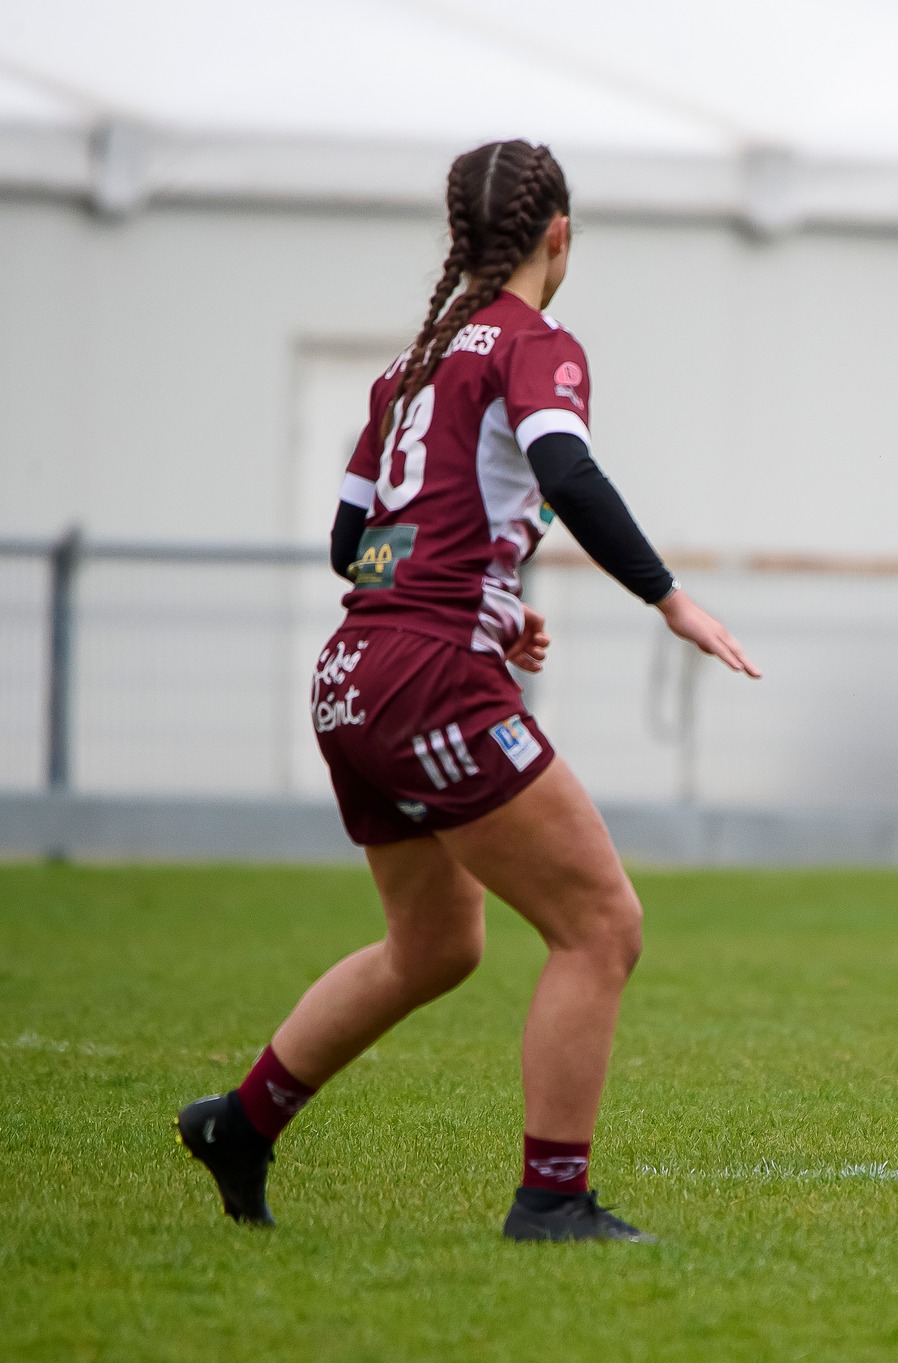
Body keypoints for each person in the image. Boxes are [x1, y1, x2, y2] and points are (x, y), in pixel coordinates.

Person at [175, 140, 759, 1242]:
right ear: (558, 237)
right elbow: (566, 470)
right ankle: (552, 1197)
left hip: (353, 676)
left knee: (437, 944)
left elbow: (353, 542)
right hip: (430, 675)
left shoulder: (407, 371)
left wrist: (487, 592)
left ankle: (241, 1122)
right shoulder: (534, 344)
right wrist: (667, 597)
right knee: (599, 923)